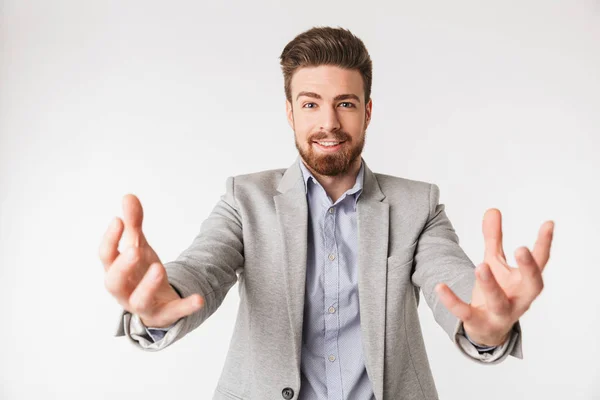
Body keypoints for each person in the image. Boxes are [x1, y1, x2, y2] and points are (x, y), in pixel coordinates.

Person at [99, 26, 554, 400]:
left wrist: (488, 325)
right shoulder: (246, 199)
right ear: (290, 113)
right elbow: (203, 265)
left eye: (346, 104)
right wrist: (159, 302)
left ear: (368, 112)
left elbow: (452, 280)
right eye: (311, 104)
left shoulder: (418, 205)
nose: (329, 123)